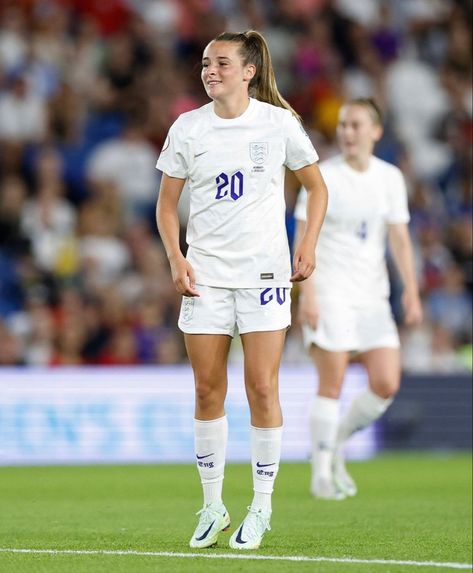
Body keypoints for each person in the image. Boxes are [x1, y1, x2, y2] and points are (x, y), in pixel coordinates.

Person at [156, 30, 328, 550]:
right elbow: (166, 205)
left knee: (262, 388)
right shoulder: (188, 128)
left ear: (249, 71)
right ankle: (212, 506)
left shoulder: (278, 124)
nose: (210, 71)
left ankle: (261, 508)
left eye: (222, 63)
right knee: (208, 391)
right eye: (206, 63)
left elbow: (317, 186)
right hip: (205, 277)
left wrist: (308, 245)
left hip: (264, 276)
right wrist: (176, 258)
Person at [294, 98, 423, 500]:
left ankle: (335, 448)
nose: (348, 132)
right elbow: (302, 237)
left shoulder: (389, 178)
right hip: (330, 290)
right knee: (330, 384)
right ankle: (320, 476)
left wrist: (413, 293)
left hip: (373, 295)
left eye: (356, 125)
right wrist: (307, 293)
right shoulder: (322, 177)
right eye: (344, 125)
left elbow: (400, 239)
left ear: (376, 131)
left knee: (386, 383)